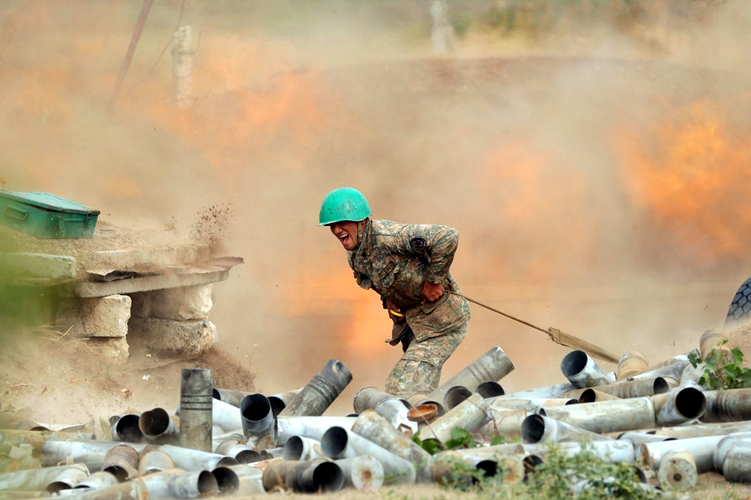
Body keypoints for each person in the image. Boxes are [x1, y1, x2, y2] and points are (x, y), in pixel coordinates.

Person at [319, 187, 470, 398]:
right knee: (419, 390)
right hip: (413, 326)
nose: (336, 230)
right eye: (331, 226)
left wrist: (433, 281)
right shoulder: (355, 256)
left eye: (341, 223)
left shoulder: (391, 237)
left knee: (403, 388)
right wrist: (388, 299)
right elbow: (377, 278)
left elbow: (447, 236)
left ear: (361, 221)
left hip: (441, 324)